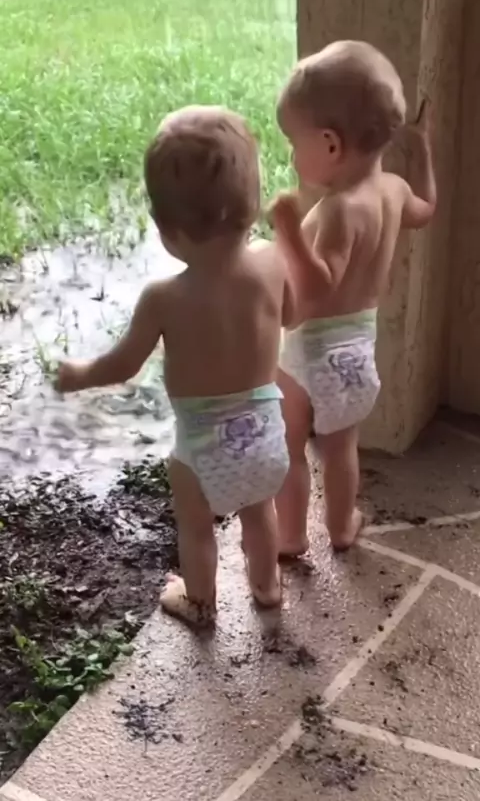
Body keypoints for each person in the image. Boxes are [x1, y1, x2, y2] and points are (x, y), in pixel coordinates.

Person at [55, 105, 294, 627]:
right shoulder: (273, 261)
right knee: (260, 510)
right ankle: (267, 587)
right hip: (264, 431)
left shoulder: (163, 297)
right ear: (253, 202)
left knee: (196, 526)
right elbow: (292, 315)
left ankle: (200, 601)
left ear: (166, 230)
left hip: (201, 445)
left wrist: (78, 375)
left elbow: (122, 365)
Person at [268, 40, 437, 558]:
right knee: (341, 449)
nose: (293, 156)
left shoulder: (339, 209)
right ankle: (342, 527)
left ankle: (291, 536)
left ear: (330, 145)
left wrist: (290, 233)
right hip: (357, 351)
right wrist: (422, 149)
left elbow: (319, 283)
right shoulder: (393, 190)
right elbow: (427, 210)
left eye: (294, 143)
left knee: (290, 446)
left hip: (308, 351)